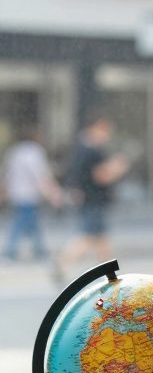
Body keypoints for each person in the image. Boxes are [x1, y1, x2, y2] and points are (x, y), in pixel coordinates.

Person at [56, 113, 129, 280]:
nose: (107, 134)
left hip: (88, 198)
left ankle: (110, 275)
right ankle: (61, 263)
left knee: (101, 239)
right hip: (94, 199)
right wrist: (117, 168)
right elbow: (101, 176)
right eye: (105, 130)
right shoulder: (92, 151)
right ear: (95, 127)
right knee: (88, 237)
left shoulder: (80, 147)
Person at [3, 125, 63, 261]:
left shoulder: (15, 151)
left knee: (31, 222)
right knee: (21, 222)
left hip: (17, 192)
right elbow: (40, 174)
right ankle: (11, 250)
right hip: (29, 193)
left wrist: (6, 190)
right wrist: (52, 193)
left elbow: (8, 174)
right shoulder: (35, 152)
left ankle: (38, 249)